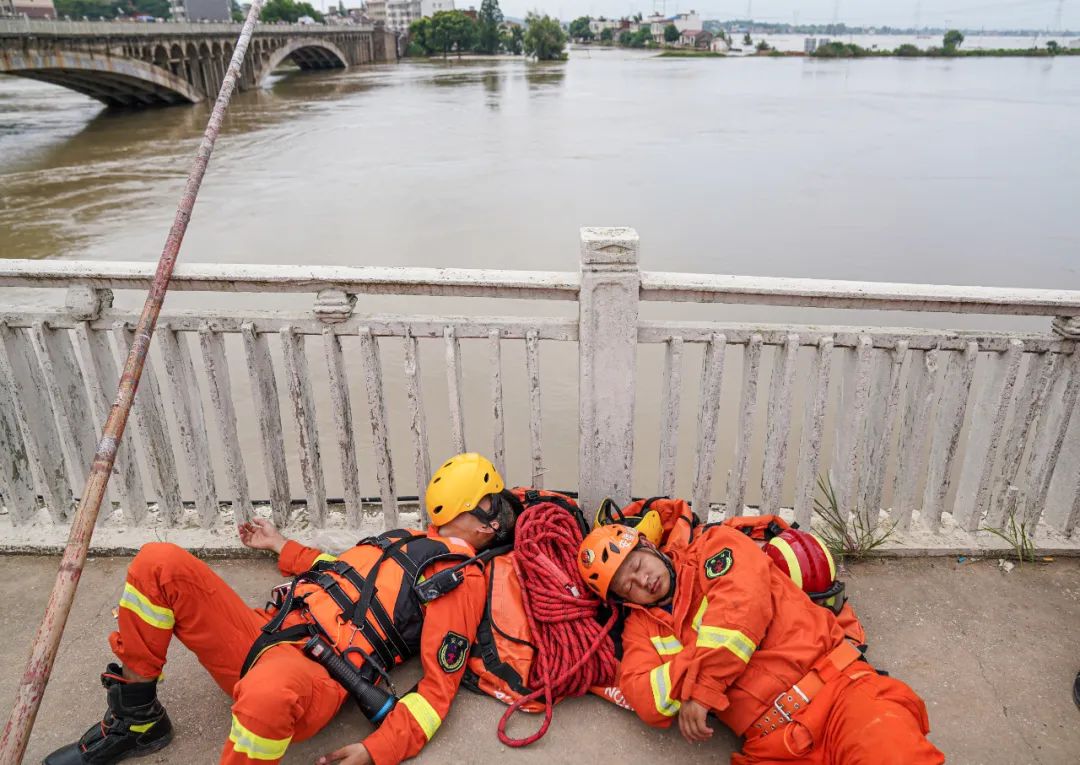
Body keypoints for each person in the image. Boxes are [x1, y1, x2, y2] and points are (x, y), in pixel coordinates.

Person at [46, 453, 518, 765]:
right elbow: (337, 570)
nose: (498, 519)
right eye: (493, 507)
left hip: (317, 670)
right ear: (478, 515)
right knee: (159, 562)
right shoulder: (402, 540)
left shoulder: (459, 576)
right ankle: (139, 719)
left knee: (268, 694)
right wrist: (280, 545)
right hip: (262, 629)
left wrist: (378, 750)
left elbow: (437, 690)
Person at [577, 520, 945, 764]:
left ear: (649, 547)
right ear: (624, 600)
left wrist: (700, 687)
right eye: (629, 585)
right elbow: (646, 699)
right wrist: (704, 651)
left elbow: (742, 610)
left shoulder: (715, 548)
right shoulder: (641, 632)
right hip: (772, 748)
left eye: (639, 566)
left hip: (841, 697)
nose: (644, 582)